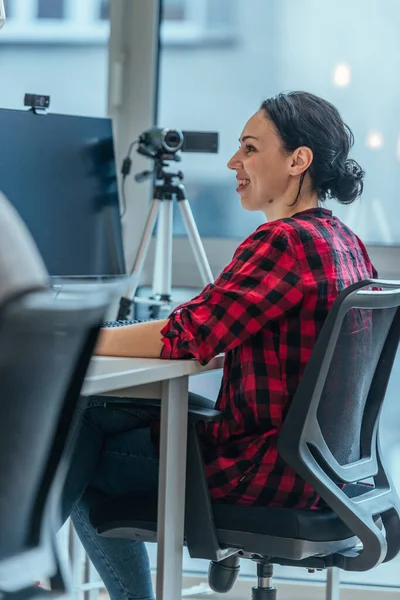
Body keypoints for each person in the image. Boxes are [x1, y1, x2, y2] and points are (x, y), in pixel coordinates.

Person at [62, 91, 377, 600]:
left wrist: (77, 337)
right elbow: (216, 330)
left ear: (298, 161)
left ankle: (20, 560)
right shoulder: (344, 242)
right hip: (327, 469)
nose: (234, 162)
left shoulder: (282, 242)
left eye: (250, 149)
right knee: (97, 408)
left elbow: (188, 337)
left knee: (73, 438)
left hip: (268, 468)